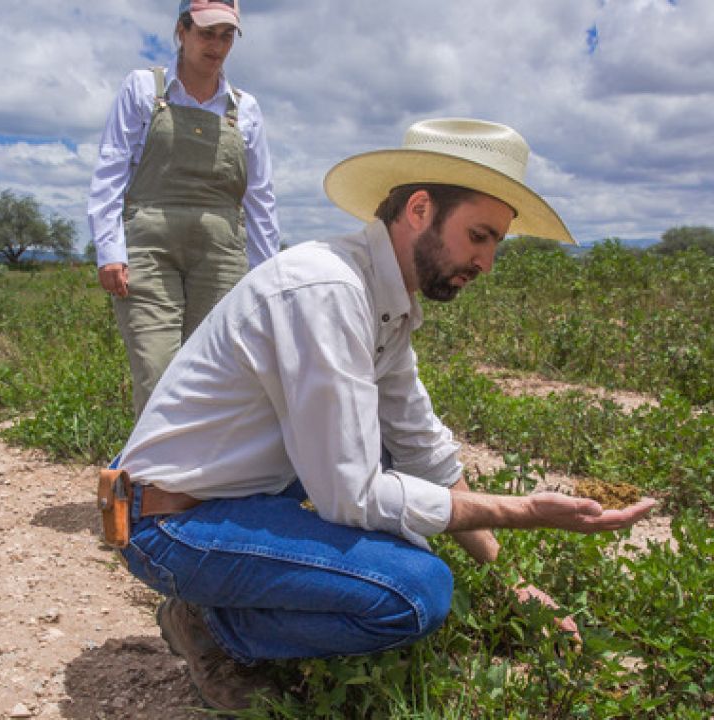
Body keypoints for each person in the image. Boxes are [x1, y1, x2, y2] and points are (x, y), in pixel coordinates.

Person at [97, 118, 656, 711]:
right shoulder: (328, 292)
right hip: (167, 523)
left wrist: (508, 580)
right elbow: (351, 496)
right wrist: (526, 512)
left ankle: (238, 600)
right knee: (416, 591)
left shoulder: (385, 300)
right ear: (420, 209)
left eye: (496, 242)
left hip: (230, 495)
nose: (487, 262)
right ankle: (210, 630)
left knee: (396, 467)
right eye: (479, 235)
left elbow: (423, 448)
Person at [87, 0, 280, 418]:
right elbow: (111, 169)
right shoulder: (143, 89)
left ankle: (202, 483)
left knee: (215, 375)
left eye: (226, 35)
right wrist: (110, 251)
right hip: (149, 248)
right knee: (156, 371)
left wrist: (268, 274)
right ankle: (152, 479)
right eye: (206, 33)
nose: (217, 45)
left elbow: (259, 196)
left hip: (222, 253)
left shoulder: (244, 108)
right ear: (182, 31)